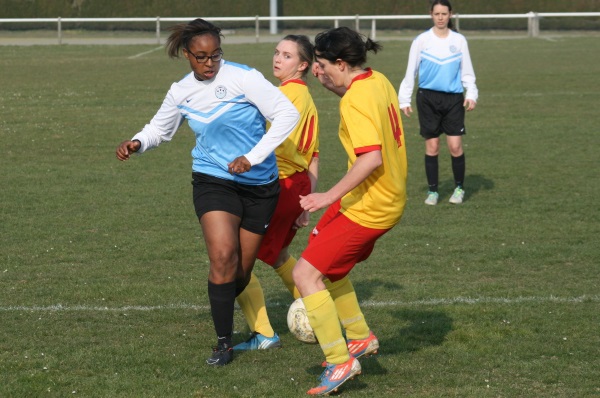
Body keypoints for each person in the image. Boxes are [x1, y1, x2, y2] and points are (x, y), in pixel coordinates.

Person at [114, 18, 299, 366]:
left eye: (216, 55)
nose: (210, 62)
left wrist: (253, 157)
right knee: (222, 258)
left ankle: (249, 330)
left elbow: (288, 114)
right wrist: (138, 142)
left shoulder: (244, 78)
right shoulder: (181, 91)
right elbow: (161, 129)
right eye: (201, 56)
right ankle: (223, 343)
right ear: (187, 55)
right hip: (213, 180)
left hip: (260, 186)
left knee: (239, 275)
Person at [293, 27, 408, 395]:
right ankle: (358, 336)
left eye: (323, 65)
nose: (318, 72)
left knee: (305, 275)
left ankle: (340, 361)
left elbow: (371, 158)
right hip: (371, 198)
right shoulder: (378, 80)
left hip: (371, 205)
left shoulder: (354, 101)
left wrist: (326, 196)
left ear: (342, 64)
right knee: (323, 259)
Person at [233, 34, 320, 351]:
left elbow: (263, 144)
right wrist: (308, 199)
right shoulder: (305, 97)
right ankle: (321, 314)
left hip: (278, 185)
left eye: (286, 55)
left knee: (236, 262)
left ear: (302, 65)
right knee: (279, 255)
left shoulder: (288, 96)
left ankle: (264, 334)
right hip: (294, 184)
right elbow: (313, 155)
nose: (278, 59)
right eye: (277, 53)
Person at [398, 0, 478, 205]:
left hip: (453, 100)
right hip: (427, 99)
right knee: (432, 147)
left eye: (444, 14)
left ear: (450, 14)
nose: (440, 17)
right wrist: (404, 99)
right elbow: (411, 71)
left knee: (455, 146)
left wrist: (471, 93)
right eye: (437, 14)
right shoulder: (421, 40)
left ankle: (459, 189)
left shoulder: (459, 40)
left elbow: (466, 70)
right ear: (431, 15)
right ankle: (433, 191)